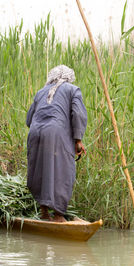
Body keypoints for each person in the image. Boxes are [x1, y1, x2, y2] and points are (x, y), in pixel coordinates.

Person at [26, 65, 87, 222]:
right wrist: (78, 140)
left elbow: (29, 119)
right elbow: (78, 115)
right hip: (56, 133)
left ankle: (44, 212)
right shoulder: (73, 90)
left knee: (40, 170)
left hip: (35, 132)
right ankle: (59, 215)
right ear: (69, 77)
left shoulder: (41, 92)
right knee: (63, 171)